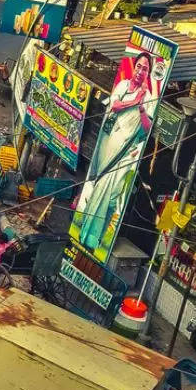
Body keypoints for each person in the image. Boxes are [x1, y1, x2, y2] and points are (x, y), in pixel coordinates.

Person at [75, 53, 158, 253]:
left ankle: (94, 238)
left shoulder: (148, 98)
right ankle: (88, 235)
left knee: (111, 196)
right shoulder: (122, 86)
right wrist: (134, 101)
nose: (140, 71)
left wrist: (140, 108)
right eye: (138, 66)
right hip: (109, 142)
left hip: (126, 150)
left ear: (148, 72)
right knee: (102, 187)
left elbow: (147, 129)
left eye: (145, 68)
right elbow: (115, 105)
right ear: (134, 67)